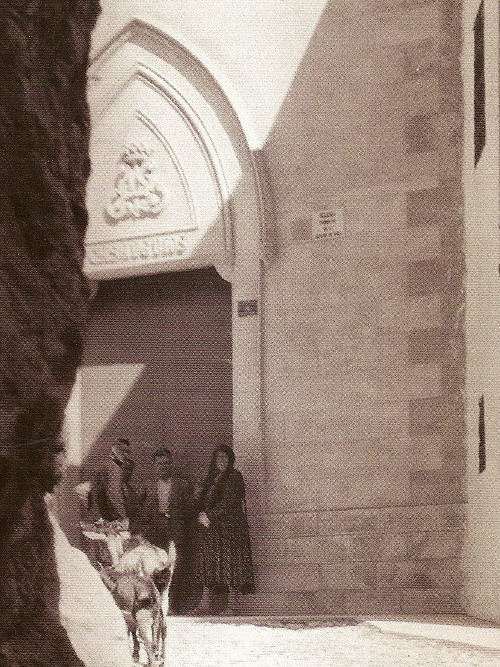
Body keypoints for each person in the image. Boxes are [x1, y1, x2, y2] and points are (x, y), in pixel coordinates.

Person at [192, 444, 255, 615]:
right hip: (213, 530)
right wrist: (199, 500)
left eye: (224, 457)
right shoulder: (212, 478)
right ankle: (205, 604)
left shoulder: (234, 477)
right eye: (218, 457)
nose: (221, 461)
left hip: (231, 529)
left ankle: (231, 607)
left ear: (230, 460)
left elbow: (230, 501)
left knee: (232, 566)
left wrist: (209, 515)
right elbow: (203, 501)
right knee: (210, 565)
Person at [137, 447, 193, 613]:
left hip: (175, 528)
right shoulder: (147, 484)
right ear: (154, 465)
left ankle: (172, 606)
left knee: (175, 566)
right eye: (160, 464)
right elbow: (138, 508)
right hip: (155, 529)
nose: (164, 467)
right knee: (153, 566)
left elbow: (189, 509)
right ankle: (153, 605)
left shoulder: (181, 485)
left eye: (167, 463)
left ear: (171, 464)